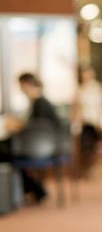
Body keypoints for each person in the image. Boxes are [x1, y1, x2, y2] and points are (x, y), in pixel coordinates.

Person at [14, 73, 61, 203]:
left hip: (38, 149)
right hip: (50, 148)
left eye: (21, 86)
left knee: (9, 157)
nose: (20, 89)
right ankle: (37, 191)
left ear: (27, 84)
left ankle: (36, 191)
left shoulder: (39, 105)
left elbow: (32, 128)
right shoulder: (42, 103)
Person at [71, 65, 102, 178]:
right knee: (85, 145)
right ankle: (85, 168)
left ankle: (92, 168)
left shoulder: (99, 87)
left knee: (93, 146)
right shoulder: (80, 89)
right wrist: (75, 121)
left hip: (96, 122)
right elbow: (76, 107)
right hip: (85, 122)